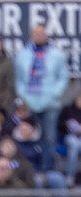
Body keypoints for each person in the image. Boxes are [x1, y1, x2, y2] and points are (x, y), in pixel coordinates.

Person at [15, 23, 68, 157]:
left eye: (41, 33)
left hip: (50, 103)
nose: (38, 36)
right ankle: (31, 168)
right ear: (31, 36)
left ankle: (48, 169)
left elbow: (63, 77)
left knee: (49, 137)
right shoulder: (22, 54)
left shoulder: (57, 54)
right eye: (36, 33)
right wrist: (23, 96)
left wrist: (54, 94)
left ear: (46, 35)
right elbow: (19, 78)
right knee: (28, 135)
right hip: (29, 103)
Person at [58, 92, 81, 186]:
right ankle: (69, 177)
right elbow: (59, 126)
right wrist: (68, 125)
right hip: (69, 137)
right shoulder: (68, 109)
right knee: (74, 145)